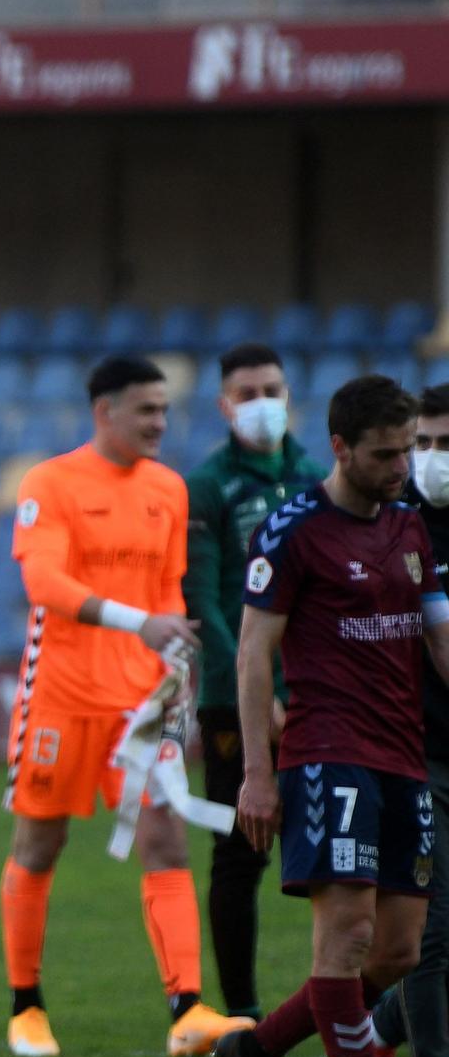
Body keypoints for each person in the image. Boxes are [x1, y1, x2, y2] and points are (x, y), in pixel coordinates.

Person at [216, 375, 449, 1057]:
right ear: (341, 448)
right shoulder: (293, 532)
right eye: (387, 454)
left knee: (399, 954)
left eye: (409, 450)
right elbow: (255, 653)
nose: (401, 466)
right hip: (327, 754)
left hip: (401, 758)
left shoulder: (412, 529)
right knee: (345, 940)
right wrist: (257, 770)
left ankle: (257, 1049)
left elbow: (438, 642)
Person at [0, 355, 250, 1057]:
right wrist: (134, 623)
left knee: (166, 837)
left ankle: (187, 1009)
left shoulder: (167, 489)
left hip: (140, 705)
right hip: (60, 699)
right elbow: (44, 582)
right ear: (105, 412)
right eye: (147, 410)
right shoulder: (50, 482)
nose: (160, 423)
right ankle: (27, 1007)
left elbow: (167, 593)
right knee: (40, 843)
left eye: (165, 411)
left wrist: (174, 669)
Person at [183, 344, 326, 1020]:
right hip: (230, 698)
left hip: (317, 693)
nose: (261, 401)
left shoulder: (314, 474)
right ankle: (242, 1012)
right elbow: (202, 596)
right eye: (246, 392)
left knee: (338, 850)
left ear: (289, 393)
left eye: (271, 387)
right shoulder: (209, 485)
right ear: (223, 404)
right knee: (240, 855)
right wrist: (254, 686)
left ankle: (352, 1003)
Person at [366, 383, 449, 1057]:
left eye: (442, 445)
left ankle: (369, 1027)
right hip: (415, 751)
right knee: (434, 929)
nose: (429, 460)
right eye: (421, 444)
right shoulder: (394, 528)